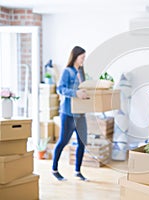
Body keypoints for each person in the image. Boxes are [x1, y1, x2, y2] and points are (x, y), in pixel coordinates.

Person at [52, 46, 89, 181]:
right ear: (75, 56)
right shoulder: (67, 71)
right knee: (63, 141)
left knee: (82, 142)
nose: (83, 59)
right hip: (68, 113)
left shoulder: (81, 72)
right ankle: (54, 169)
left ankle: (77, 171)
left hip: (80, 114)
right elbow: (60, 88)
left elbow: (84, 89)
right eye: (82, 57)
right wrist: (75, 93)